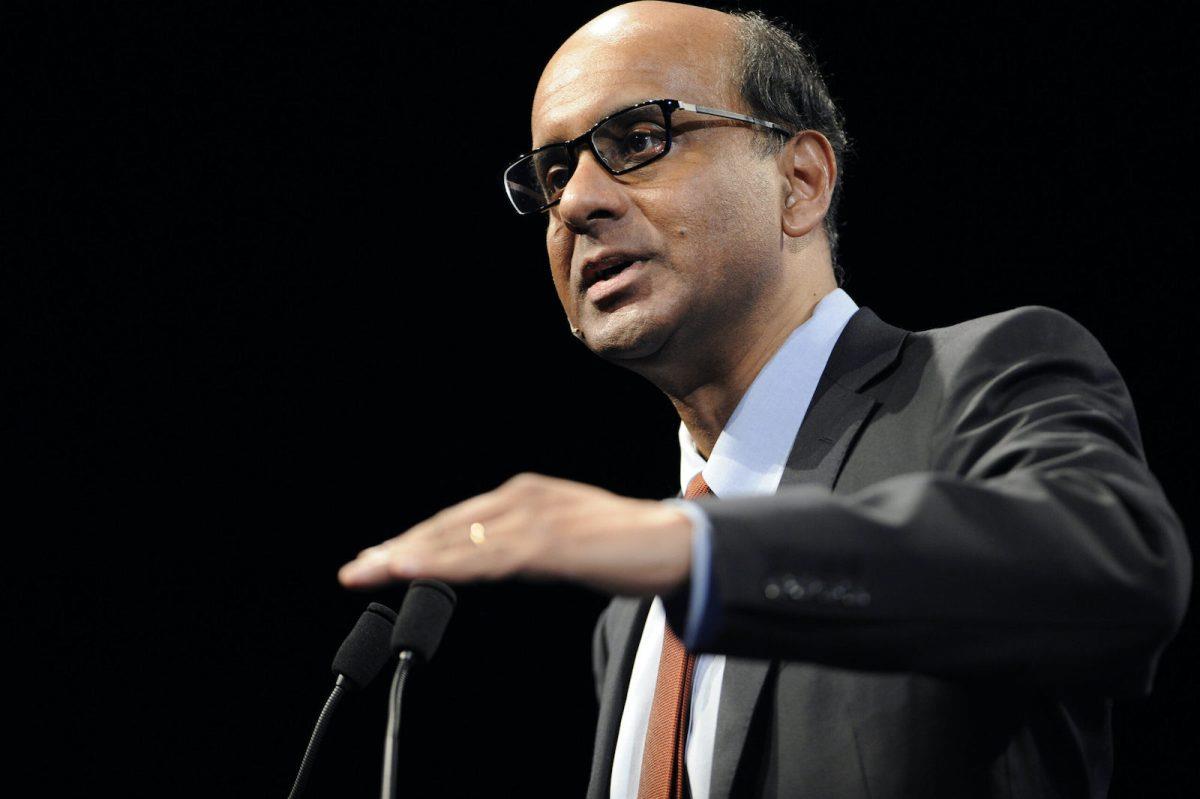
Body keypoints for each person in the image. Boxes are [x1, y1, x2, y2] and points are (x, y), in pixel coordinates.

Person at [338, 2, 1191, 796]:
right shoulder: (629, 619)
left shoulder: (981, 382)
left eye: (639, 138)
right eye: (554, 173)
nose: (579, 204)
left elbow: (1119, 574)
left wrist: (694, 550)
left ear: (802, 180)